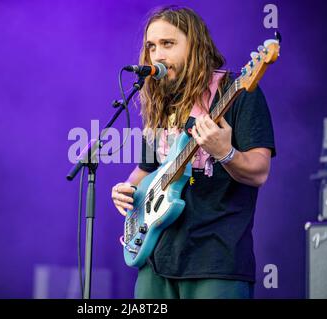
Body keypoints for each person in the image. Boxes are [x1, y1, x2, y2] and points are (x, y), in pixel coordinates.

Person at [111, 5, 276, 299]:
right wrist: (128, 191)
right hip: (155, 261)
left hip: (215, 262)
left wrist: (225, 152)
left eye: (168, 44)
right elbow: (147, 171)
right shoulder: (163, 104)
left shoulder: (237, 92)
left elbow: (259, 171)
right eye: (151, 46)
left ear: (196, 46)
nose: (157, 55)